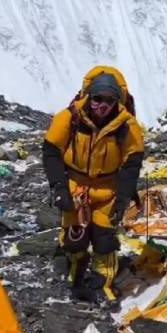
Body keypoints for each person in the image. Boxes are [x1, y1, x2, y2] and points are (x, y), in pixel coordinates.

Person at [43, 67, 143, 305]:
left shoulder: (126, 126)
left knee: (104, 238)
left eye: (109, 100)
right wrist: (59, 188)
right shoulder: (69, 118)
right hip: (75, 186)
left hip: (108, 189)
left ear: (117, 101)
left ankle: (102, 284)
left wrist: (123, 197)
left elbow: (132, 163)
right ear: (88, 96)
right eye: (97, 99)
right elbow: (51, 152)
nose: (102, 105)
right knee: (73, 236)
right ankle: (75, 274)